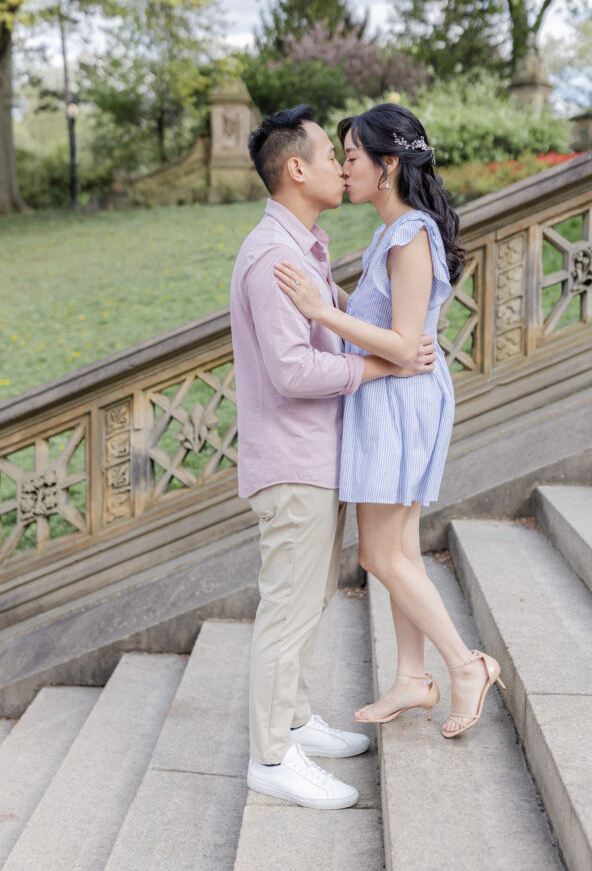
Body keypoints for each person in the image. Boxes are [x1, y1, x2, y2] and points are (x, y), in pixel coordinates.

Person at [275, 102, 505, 741]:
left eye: (351, 157)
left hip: (400, 403)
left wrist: (321, 311)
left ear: (388, 165)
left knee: (379, 551)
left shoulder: (409, 236)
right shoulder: (390, 233)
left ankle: (465, 665)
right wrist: (338, 297)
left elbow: (404, 345)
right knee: (399, 550)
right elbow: (390, 325)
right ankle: (411, 677)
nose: (343, 168)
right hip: (390, 401)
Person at [230, 104, 437, 810]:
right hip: (291, 460)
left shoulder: (307, 251)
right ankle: (271, 757)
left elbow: (348, 317)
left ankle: (291, 719)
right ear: (295, 170)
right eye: (328, 156)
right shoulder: (274, 258)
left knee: (308, 597)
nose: (339, 166)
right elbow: (290, 372)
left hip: (317, 457)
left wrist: (386, 342)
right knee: (287, 605)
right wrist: (385, 369)